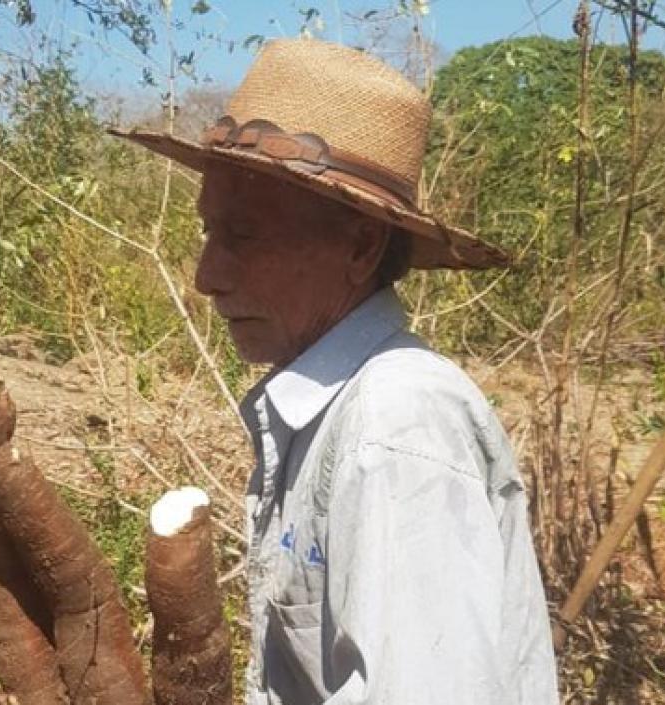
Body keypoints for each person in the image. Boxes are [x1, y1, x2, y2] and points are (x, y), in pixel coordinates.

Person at [112, 38, 558, 704]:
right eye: (208, 232)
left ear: (359, 244)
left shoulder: (394, 425)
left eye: (243, 235)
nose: (207, 276)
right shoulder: (331, 411)